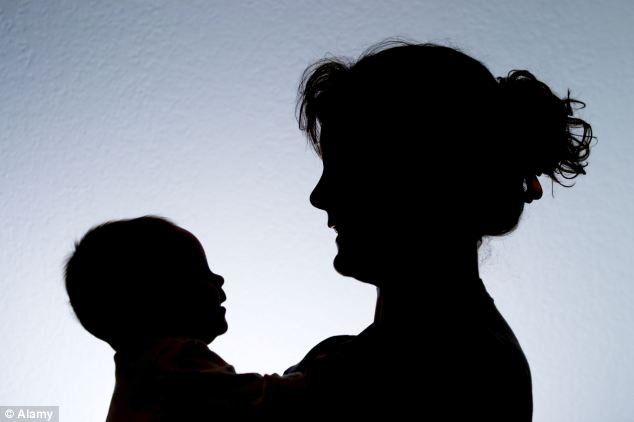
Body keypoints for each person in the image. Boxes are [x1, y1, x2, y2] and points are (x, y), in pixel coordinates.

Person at [286, 41, 594, 420]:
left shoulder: (452, 368)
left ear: (428, 178)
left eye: (350, 169)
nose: (319, 196)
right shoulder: (425, 356)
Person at [64, 216, 303, 421]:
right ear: (159, 295)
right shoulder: (170, 361)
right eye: (202, 272)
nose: (219, 279)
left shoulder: (136, 379)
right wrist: (318, 372)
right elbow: (269, 402)